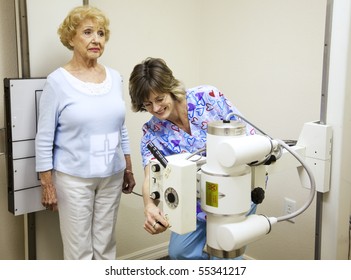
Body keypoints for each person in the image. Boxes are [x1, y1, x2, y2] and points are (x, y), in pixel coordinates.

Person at [128, 57, 256, 260]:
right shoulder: (152, 133)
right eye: (148, 104)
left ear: (170, 87)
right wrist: (150, 206)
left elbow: (247, 137)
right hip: (195, 200)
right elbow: (151, 176)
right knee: (179, 253)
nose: (156, 108)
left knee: (225, 252)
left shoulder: (207, 97)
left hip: (235, 188)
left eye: (160, 99)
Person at [35, 5, 135, 260]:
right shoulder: (57, 82)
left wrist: (128, 167)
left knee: (106, 247)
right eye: (88, 32)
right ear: (71, 38)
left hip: (111, 176)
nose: (96, 39)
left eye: (101, 34)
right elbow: (44, 138)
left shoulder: (115, 78)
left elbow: (120, 127)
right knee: (79, 252)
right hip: (74, 179)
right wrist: (47, 184)